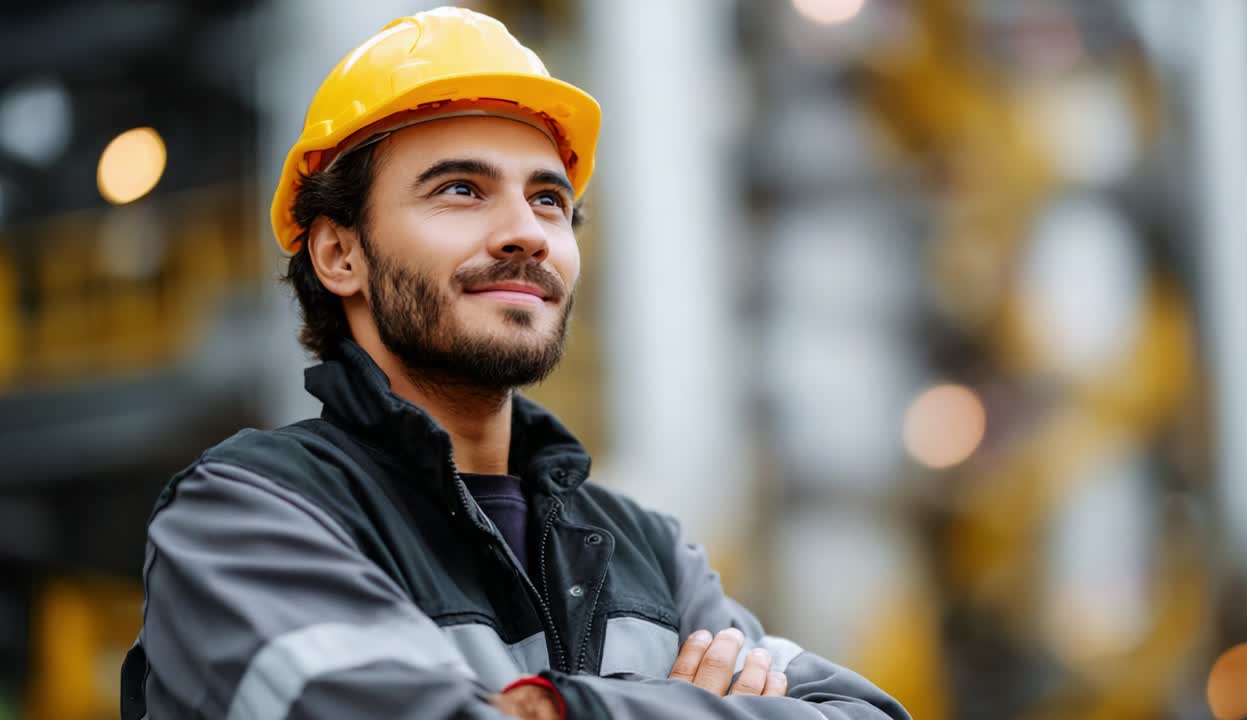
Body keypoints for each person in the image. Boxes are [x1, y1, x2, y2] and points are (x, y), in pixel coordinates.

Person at [120, 8, 910, 719]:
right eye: (461, 189)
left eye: (548, 201)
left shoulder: (649, 550)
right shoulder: (246, 515)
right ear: (339, 253)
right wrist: (670, 705)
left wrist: (555, 712)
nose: (526, 233)